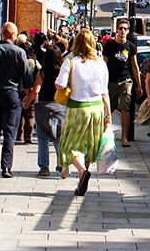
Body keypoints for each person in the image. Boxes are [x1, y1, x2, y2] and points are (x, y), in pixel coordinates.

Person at [56, 29, 111, 196]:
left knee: (67, 146)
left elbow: (60, 85)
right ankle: (82, 180)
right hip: (96, 109)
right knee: (88, 146)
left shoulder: (70, 62)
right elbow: (104, 92)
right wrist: (108, 115)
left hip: (77, 107)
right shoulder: (101, 64)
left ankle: (81, 171)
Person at [0, 22, 34, 178]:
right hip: (11, 94)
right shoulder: (19, 52)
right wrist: (28, 94)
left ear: (2, 33)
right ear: (13, 35)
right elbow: (26, 75)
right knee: (9, 131)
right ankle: (7, 166)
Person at [22, 43, 66, 176]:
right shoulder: (63, 72)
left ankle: (44, 167)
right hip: (59, 106)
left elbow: (36, 90)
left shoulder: (42, 72)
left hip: (43, 107)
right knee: (59, 138)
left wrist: (26, 102)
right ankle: (61, 165)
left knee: (42, 139)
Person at [104, 19, 141, 148]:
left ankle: (124, 138)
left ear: (128, 31)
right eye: (120, 28)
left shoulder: (131, 46)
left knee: (125, 108)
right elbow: (105, 65)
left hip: (126, 80)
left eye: (125, 29)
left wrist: (139, 85)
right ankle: (107, 134)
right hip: (112, 81)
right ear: (117, 30)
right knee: (110, 109)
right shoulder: (109, 45)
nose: (123, 31)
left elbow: (134, 66)